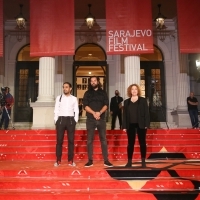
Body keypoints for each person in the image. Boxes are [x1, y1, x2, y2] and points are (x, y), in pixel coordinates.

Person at [83, 76, 113, 167]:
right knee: (89, 140)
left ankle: (106, 160)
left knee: (103, 139)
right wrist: (94, 113)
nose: (93, 82)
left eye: (94, 81)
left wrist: (99, 113)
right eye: (91, 81)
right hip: (90, 119)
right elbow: (85, 106)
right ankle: (90, 161)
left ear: (98, 82)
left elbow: (106, 105)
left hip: (101, 118)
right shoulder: (87, 93)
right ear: (90, 83)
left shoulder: (103, 92)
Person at [122, 84, 150, 168]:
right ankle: (129, 162)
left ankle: (143, 161)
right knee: (130, 144)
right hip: (130, 125)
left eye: (135, 89)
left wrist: (146, 124)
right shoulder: (126, 102)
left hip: (141, 125)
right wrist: (124, 126)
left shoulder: (143, 100)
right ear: (130, 91)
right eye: (132, 89)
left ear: (138, 91)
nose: (134, 91)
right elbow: (124, 115)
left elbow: (146, 113)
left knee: (142, 143)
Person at [54, 82, 79, 167]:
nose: (65, 89)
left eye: (67, 87)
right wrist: (56, 120)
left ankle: (70, 160)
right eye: (64, 87)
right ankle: (58, 160)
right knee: (59, 141)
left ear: (70, 88)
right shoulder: (59, 98)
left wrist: (75, 120)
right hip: (61, 119)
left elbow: (76, 110)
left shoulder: (74, 99)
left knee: (71, 141)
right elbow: (56, 109)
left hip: (71, 120)